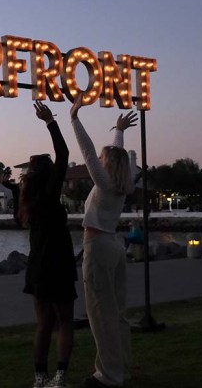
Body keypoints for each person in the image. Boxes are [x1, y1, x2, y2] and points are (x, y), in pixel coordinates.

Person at [1, 101, 77, 388]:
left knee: (44, 324)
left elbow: (18, 192)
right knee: (65, 322)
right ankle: (59, 378)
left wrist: (10, 186)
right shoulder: (49, 195)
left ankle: (39, 377)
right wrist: (50, 121)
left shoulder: (27, 203)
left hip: (37, 268)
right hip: (58, 264)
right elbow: (64, 153)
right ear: (51, 174)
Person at [69, 95, 137, 387]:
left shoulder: (105, 182)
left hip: (98, 248)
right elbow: (117, 155)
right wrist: (118, 129)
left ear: (107, 165)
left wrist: (74, 116)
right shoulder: (121, 183)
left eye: (102, 158)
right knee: (117, 313)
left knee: (100, 313)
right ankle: (121, 369)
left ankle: (108, 376)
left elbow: (85, 150)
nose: (99, 159)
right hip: (115, 246)